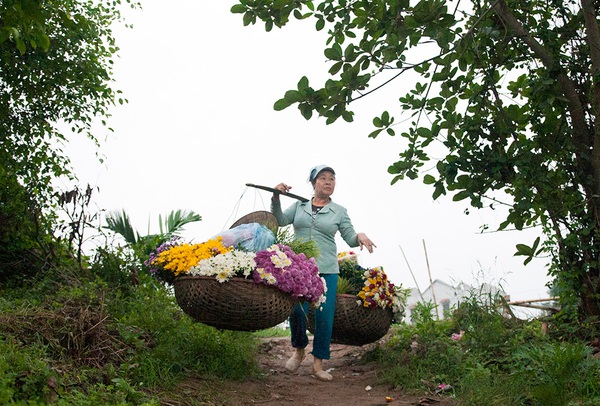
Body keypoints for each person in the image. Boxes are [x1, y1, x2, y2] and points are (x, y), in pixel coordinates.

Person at [271, 164, 376, 381]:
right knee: (297, 311)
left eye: (332, 179)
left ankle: (318, 363)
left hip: (327, 269)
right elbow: (280, 220)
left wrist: (360, 236)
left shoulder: (339, 211)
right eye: (323, 178)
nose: (328, 182)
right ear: (313, 183)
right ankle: (299, 349)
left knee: (324, 317)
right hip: (300, 269)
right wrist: (276, 197)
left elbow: (349, 237)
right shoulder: (300, 205)